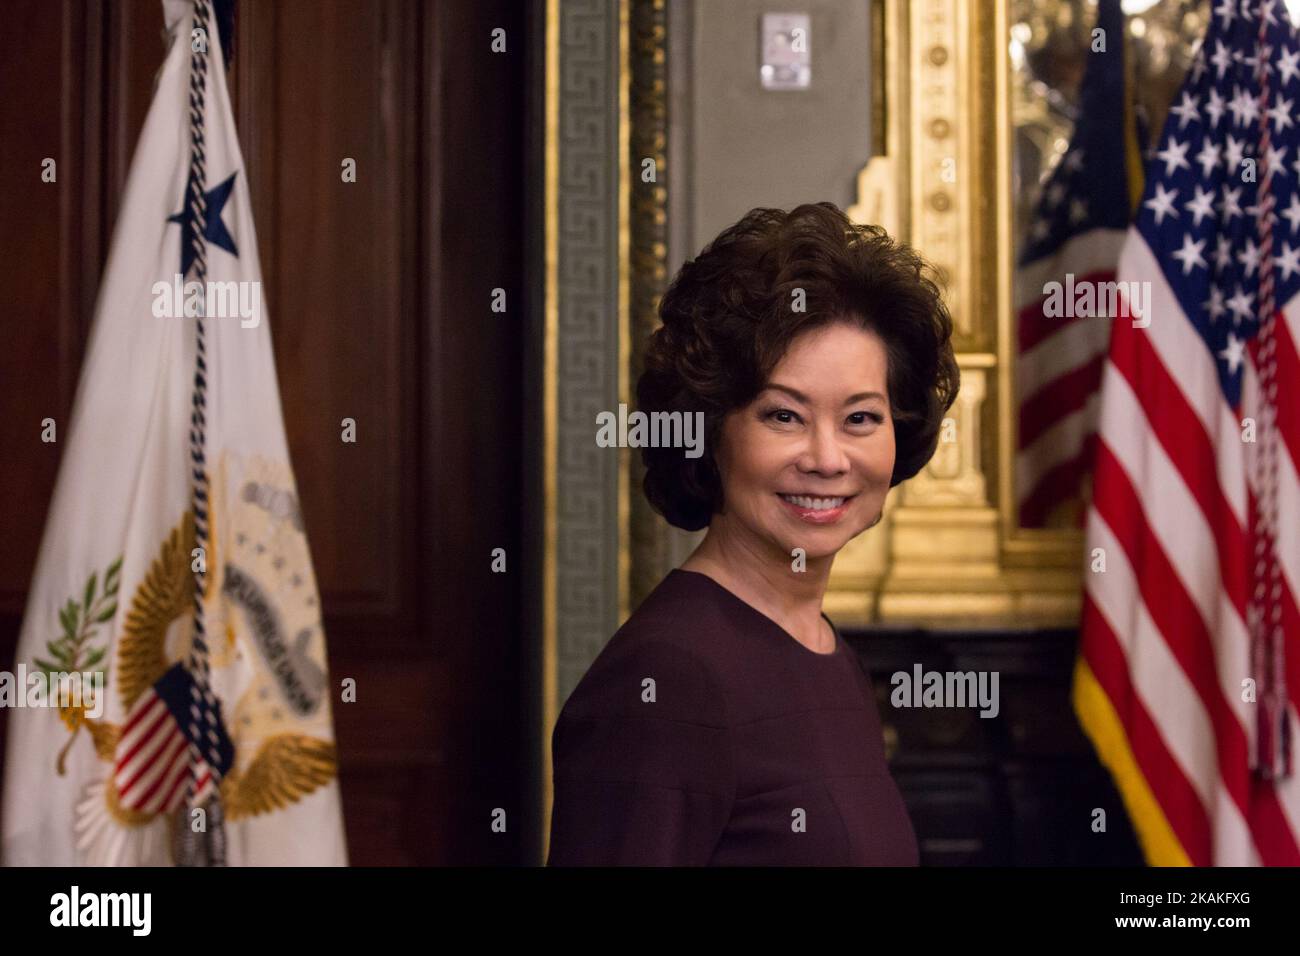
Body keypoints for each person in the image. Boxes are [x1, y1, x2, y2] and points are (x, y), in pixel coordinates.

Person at [547, 201, 959, 865]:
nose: (827, 458)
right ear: (711, 431)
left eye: (860, 418)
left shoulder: (825, 651)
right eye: (784, 416)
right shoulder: (668, 678)